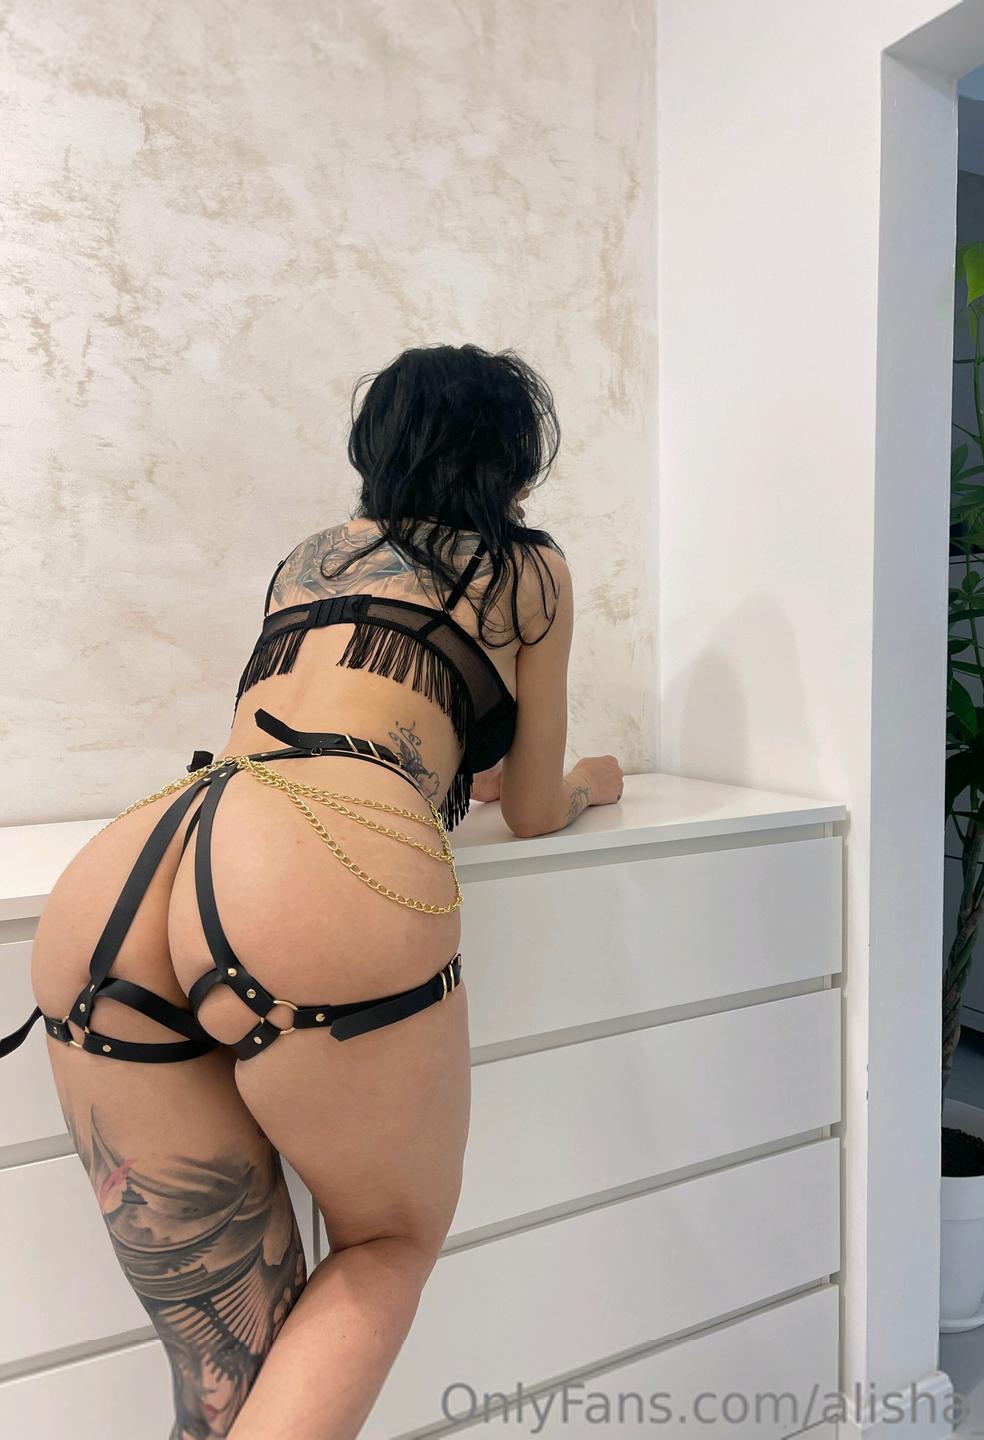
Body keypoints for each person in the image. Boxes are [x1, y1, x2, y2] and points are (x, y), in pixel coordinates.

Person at [0, 343, 625, 1440]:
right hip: (304, 873)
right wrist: (587, 785)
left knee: (223, 1370)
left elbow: (341, 716)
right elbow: (529, 807)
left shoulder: (309, 558)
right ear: (512, 460)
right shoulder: (528, 570)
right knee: (385, 1245)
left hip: (133, 868)